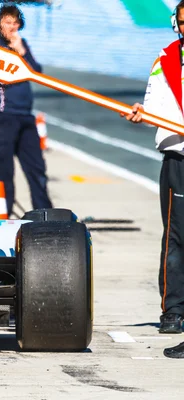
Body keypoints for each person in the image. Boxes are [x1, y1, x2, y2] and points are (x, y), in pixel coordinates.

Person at [123, 1, 184, 343]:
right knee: (176, 238)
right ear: (176, 24)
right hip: (179, 160)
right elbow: (155, 105)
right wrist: (141, 112)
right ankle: (173, 310)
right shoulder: (166, 58)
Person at [0, 4, 52, 217]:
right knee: (3, 168)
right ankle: (0, 212)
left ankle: (44, 214)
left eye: (15, 23)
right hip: (2, 114)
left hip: (24, 114)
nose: (12, 27)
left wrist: (22, 51)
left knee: (36, 168)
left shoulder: (20, 44)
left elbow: (37, 72)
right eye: (8, 22)